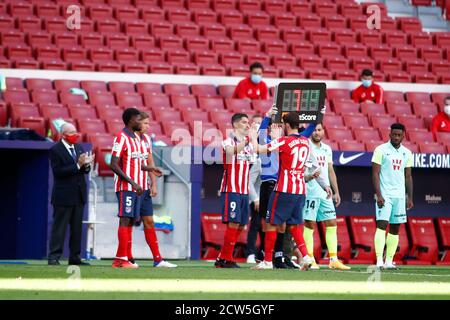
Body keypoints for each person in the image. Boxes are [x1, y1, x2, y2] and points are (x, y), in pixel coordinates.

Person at [249, 112, 321, 270]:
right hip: (300, 189)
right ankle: (307, 257)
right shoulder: (305, 141)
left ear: (287, 125)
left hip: (283, 189)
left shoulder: (283, 141)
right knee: (294, 225)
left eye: (282, 124)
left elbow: (257, 149)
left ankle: (267, 261)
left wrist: (254, 135)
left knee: (271, 224)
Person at [109, 108, 161, 268]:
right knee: (125, 219)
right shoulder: (121, 137)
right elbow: (113, 164)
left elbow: (138, 164)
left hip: (138, 187)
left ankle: (125, 258)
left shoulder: (138, 140)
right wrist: (132, 183)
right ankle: (120, 259)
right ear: (132, 120)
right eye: (140, 119)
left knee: (130, 220)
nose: (142, 123)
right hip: (127, 187)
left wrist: (151, 169)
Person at [302, 123, 351, 271]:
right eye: (315, 130)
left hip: (326, 192)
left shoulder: (327, 149)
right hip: (310, 191)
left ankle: (333, 259)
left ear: (324, 131)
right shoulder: (305, 146)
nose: (317, 133)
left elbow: (330, 171)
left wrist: (336, 191)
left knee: (332, 223)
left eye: (319, 130)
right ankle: (310, 259)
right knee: (309, 225)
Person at [135, 112, 177, 268]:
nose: (148, 126)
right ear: (136, 123)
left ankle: (158, 259)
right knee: (128, 221)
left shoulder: (146, 139)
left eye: (148, 123)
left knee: (149, 221)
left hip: (144, 186)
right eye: (145, 123)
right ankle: (126, 257)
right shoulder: (127, 139)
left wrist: (153, 183)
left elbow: (150, 161)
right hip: (132, 187)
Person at [48, 123, 93, 266]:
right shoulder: (55, 150)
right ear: (63, 135)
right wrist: (78, 165)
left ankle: (75, 257)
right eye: (71, 133)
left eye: (75, 132)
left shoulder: (79, 147)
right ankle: (54, 257)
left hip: (78, 195)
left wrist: (86, 165)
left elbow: (83, 171)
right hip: (63, 196)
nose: (75, 135)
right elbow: (59, 172)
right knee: (59, 228)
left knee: (77, 228)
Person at [215, 113, 256, 268]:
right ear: (235, 124)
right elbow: (232, 152)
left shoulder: (249, 146)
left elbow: (258, 151)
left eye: (248, 122)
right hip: (231, 188)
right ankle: (227, 259)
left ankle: (222, 257)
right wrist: (248, 139)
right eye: (245, 122)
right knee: (233, 223)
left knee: (240, 225)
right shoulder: (227, 141)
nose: (248, 125)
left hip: (244, 191)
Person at [372, 123, 413, 270]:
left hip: (400, 196)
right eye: (393, 134)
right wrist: (379, 194)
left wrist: (410, 197)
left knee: (395, 227)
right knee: (382, 224)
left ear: (403, 136)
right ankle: (378, 260)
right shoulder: (380, 150)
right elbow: (375, 174)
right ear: (389, 134)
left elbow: (408, 176)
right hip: (385, 195)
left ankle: (389, 260)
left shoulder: (407, 153)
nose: (396, 137)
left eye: (399, 135)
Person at [245, 115, 262, 264]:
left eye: (260, 124)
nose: (258, 127)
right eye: (255, 124)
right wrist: (255, 198)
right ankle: (250, 252)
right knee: (255, 225)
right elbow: (249, 180)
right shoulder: (246, 144)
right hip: (255, 196)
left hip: (269, 196)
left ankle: (263, 253)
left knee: (269, 226)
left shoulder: (266, 145)